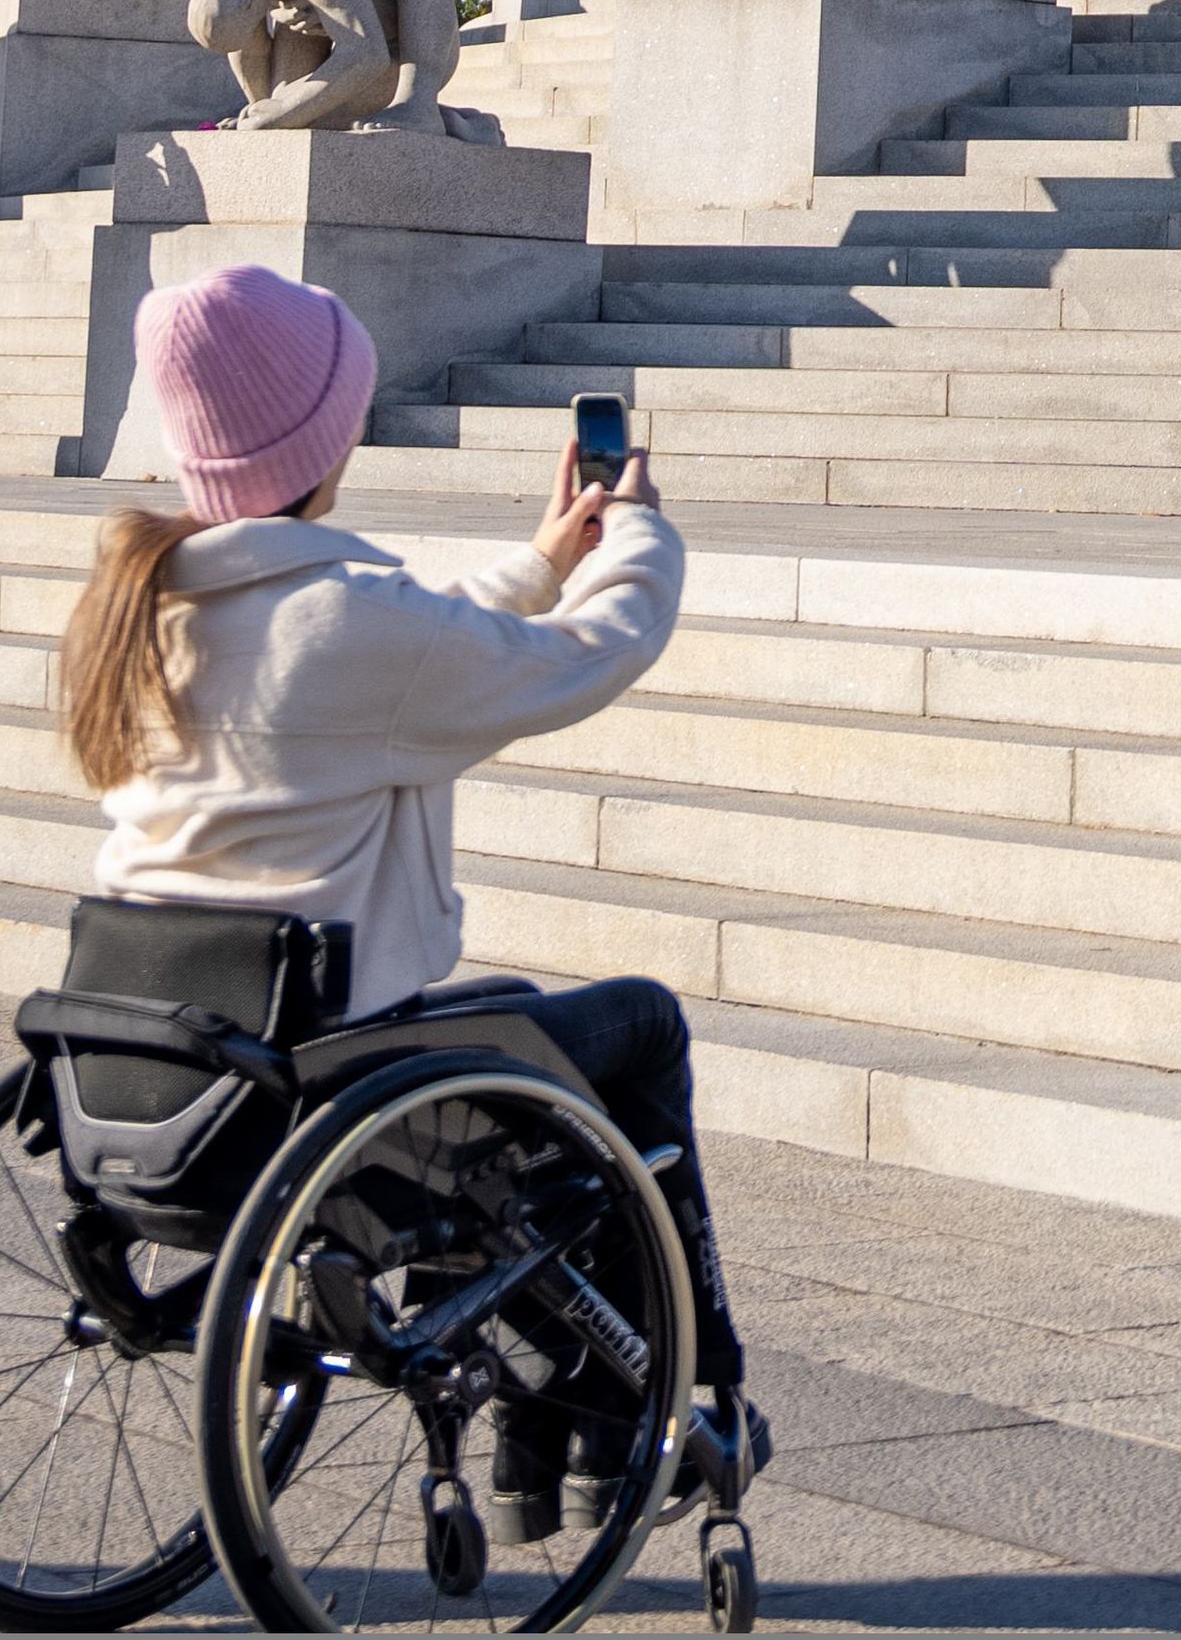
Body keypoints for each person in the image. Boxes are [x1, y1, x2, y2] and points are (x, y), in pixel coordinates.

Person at [51, 264, 756, 1509]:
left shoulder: (149, 599)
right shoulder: (345, 621)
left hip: (163, 1057)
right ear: (331, 436)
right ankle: (645, 1410)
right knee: (632, 1030)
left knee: (519, 1028)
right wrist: (634, 532)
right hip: (326, 1069)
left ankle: (553, 1439)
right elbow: (584, 654)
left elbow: (401, 642)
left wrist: (542, 558)